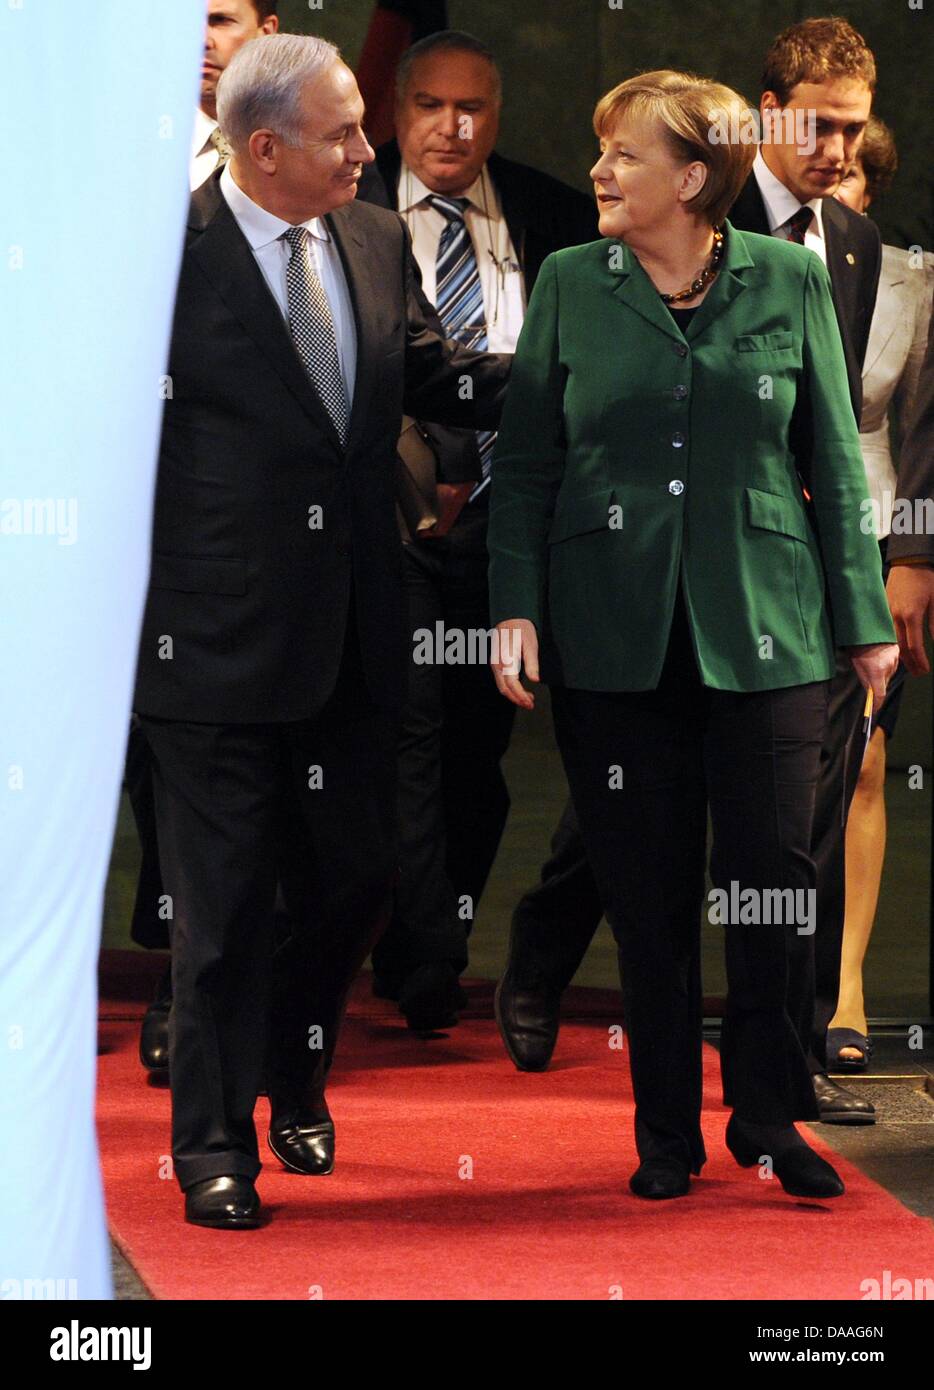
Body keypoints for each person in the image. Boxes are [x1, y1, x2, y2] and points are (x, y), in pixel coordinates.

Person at [487, 69, 898, 1201]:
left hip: (769, 627)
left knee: (770, 884)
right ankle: (663, 1129)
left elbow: (826, 456)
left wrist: (863, 618)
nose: (599, 173)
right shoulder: (574, 279)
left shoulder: (787, 277)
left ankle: (770, 1116)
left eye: (622, 155)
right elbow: (525, 461)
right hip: (611, 630)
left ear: (692, 174)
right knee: (648, 895)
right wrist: (512, 603)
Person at [134, 32, 509, 1230]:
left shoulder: (373, 235)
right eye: (344, 134)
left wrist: (587, 355)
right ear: (263, 148)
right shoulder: (153, 261)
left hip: (359, 630)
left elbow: (433, 375)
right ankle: (208, 1146)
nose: (369, 151)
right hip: (212, 646)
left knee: (361, 878)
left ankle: (292, 1072)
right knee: (222, 907)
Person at [356, 30, 597, 1030]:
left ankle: (427, 929)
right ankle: (425, 956)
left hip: (507, 525)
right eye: (430, 106)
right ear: (397, 110)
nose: (452, 128)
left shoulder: (554, 215)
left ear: (495, 116)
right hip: (381, 519)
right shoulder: (347, 209)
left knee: (473, 755)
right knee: (405, 735)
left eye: (473, 109)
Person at [133, 0, 280, 1075]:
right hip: (114, 503)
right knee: (155, 745)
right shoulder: (120, 159)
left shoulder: (314, 166)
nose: (199, 35)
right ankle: (175, 964)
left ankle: (211, 982)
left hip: (260, 526)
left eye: (221, 16)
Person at [828, 117, 933, 1069]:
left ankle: (847, 991)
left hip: (874, 526)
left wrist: (916, 555)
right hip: (769, 529)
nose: (836, 179)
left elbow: (926, 430)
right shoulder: (752, 258)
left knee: (865, 760)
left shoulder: (914, 281)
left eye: (856, 171)